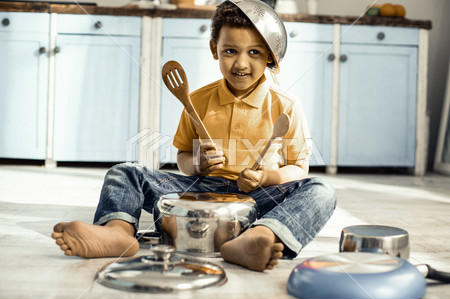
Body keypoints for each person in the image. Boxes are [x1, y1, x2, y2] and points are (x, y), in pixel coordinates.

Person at [52, 0, 336, 272]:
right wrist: (198, 165)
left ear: (270, 57)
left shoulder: (286, 105)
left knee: (321, 191)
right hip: (202, 192)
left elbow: (299, 169)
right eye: (230, 51)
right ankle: (117, 232)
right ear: (215, 49)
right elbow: (183, 158)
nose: (241, 63)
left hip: (258, 198)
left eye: (254, 52)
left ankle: (260, 236)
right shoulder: (196, 100)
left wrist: (266, 178)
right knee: (125, 173)